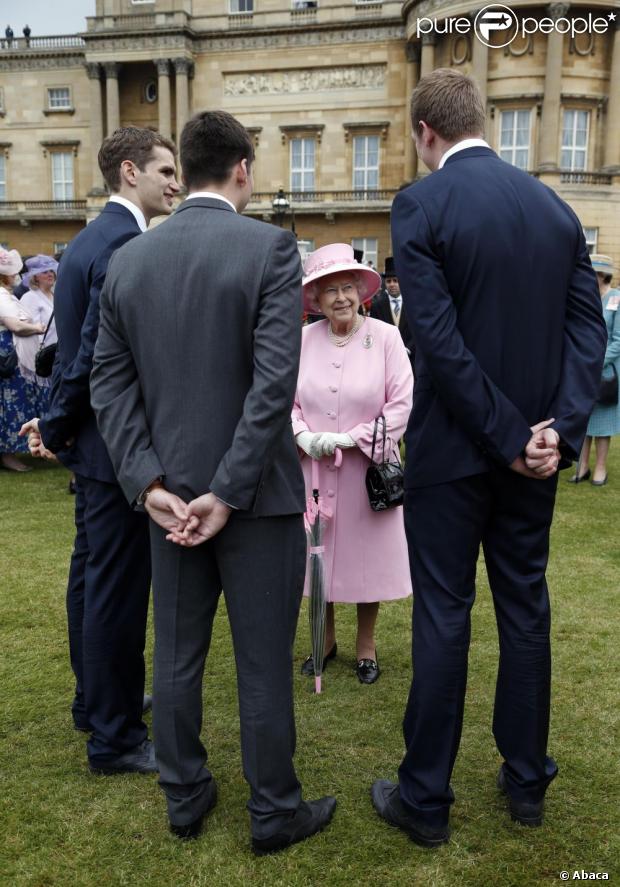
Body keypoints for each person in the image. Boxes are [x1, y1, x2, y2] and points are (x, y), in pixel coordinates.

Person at [371, 69, 607, 847]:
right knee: (524, 608)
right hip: (532, 449)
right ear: (486, 122)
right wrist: (556, 432)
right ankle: (527, 780)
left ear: (423, 134)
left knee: (445, 614)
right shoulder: (555, 208)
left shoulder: (422, 201)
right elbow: (588, 336)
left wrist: (516, 437)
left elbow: (434, 340)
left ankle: (426, 799)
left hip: (456, 451)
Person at [90, 110, 336, 852]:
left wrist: (149, 483)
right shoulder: (268, 246)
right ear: (242, 170)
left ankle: (185, 795)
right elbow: (272, 385)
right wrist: (224, 492)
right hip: (251, 498)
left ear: (184, 170)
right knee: (261, 664)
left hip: (173, 499)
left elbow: (110, 385)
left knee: (175, 656)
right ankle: (272, 810)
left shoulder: (130, 260)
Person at [20, 127, 180, 775]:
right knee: (114, 590)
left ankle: (96, 701)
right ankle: (113, 736)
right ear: (128, 173)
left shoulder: (89, 240)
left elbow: (65, 353)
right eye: (164, 169)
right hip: (115, 451)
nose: (176, 180)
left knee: (90, 580)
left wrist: (57, 424)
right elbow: (87, 357)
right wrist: (56, 424)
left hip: (94, 446)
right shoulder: (120, 244)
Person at [292, 243, 413, 684]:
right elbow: (284, 400)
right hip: (314, 469)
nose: (340, 297)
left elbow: (400, 404)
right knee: (316, 555)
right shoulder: (302, 339)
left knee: (366, 560)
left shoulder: (386, 337)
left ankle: (366, 646)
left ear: (361, 292)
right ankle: (322, 640)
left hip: (368, 471)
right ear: (317, 299)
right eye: (330, 291)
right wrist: (301, 434)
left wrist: (352, 438)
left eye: (347, 288)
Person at [569, 254, 620, 486]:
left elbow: (618, 340)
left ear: (602, 276)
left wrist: (597, 363)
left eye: (594, 275)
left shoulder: (616, 299)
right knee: (584, 420)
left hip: (606, 371)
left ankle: (600, 468)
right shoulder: (588, 298)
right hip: (584, 369)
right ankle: (583, 466)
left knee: (602, 424)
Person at [0, 248, 45, 472]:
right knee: (8, 402)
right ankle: (7, 454)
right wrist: (36, 327)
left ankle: (10, 451)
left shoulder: (6, 294)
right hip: (6, 357)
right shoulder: (0, 295)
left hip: (12, 355)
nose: (16, 276)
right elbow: (14, 325)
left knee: (13, 401)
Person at [15, 254, 58, 414]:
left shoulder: (54, 295)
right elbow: (31, 331)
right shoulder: (30, 298)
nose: (50, 274)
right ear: (35, 277)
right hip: (42, 360)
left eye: (51, 271)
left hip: (56, 356)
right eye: (44, 271)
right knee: (44, 403)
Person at [369, 256, 415, 361]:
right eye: (389, 281)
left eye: (395, 280)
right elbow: (375, 332)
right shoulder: (377, 305)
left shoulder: (412, 305)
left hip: (410, 358)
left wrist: (408, 348)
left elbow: (417, 330)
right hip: (386, 357)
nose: (392, 284)